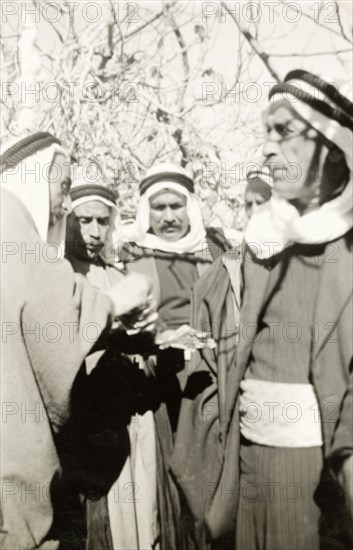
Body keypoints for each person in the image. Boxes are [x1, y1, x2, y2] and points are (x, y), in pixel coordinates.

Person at [171, 70, 353, 550]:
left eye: (285, 132)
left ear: (333, 149)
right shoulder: (259, 247)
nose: (267, 148)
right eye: (265, 133)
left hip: (317, 474)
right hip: (248, 460)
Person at [0, 132, 156, 550]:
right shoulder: (12, 231)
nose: (66, 204)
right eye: (63, 187)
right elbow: (57, 328)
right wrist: (118, 299)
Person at [120, 162, 232, 549]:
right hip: (160, 388)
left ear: (191, 208)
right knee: (170, 486)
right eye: (159, 207)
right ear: (146, 212)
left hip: (210, 383)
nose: (168, 216)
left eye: (176, 206)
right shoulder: (132, 257)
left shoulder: (215, 252)